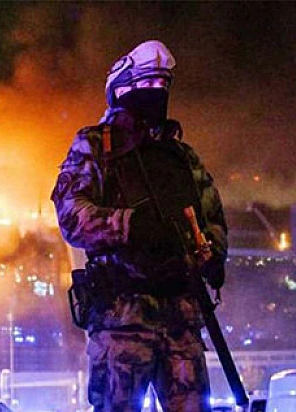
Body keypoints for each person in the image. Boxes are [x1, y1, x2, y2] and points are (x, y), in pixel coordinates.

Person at [51, 40, 228, 411]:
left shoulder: (183, 157)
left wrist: (211, 255)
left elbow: (212, 217)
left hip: (181, 319)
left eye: (162, 85)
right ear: (121, 90)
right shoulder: (96, 146)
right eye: (146, 84)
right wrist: (129, 225)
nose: (156, 93)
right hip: (122, 319)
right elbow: (70, 215)